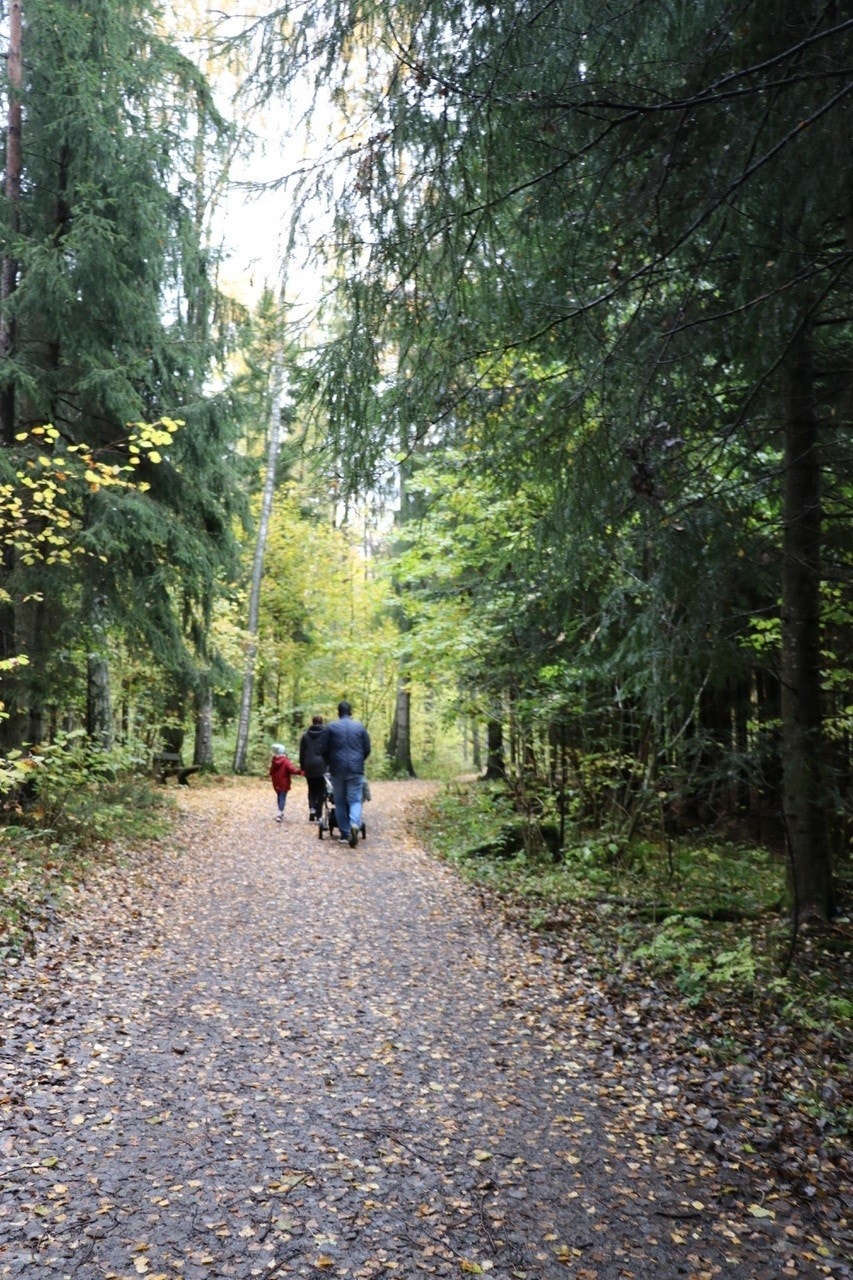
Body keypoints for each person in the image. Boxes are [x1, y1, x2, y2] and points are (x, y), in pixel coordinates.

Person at [318, 700, 371, 847]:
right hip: (356, 769)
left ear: (338, 712)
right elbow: (367, 749)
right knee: (355, 799)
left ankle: (345, 833)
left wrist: (330, 762)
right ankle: (355, 824)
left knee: (340, 801)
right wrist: (359, 760)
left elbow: (323, 748)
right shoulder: (360, 727)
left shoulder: (331, 728)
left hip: (337, 769)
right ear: (351, 712)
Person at [299, 714, 327, 822]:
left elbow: (302, 753)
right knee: (321, 790)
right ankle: (319, 814)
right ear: (322, 722)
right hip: (322, 765)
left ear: (312, 722)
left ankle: (312, 808)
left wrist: (302, 767)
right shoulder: (326, 734)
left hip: (309, 765)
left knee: (311, 788)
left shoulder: (305, 735)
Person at [269, 743, 304, 823]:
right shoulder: (286, 761)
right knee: (282, 797)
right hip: (284, 783)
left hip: (276, 782)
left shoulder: (274, 761)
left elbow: (271, 772)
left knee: (279, 796)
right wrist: (301, 772)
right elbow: (292, 770)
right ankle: (280, 813)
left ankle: (279, 812)